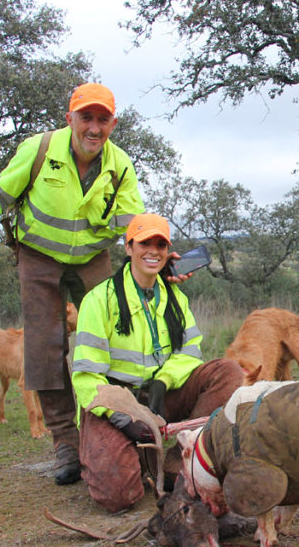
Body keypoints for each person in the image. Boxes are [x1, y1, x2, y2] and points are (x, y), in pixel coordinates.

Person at [0, 83, 144, 485]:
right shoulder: (39, 150)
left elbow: (133, 224)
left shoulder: (120, 164)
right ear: (69, 118)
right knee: (44, 346)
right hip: (38, 257)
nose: (93, 128)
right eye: (85, 117)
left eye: (102, 119)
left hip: (92, 257)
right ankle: (66, 445)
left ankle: (110, 428)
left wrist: (156, 252)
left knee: (113, 337)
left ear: (113, 123)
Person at [71, 213, 244, 512]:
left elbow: (190, 352)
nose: (153, 251)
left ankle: (180, 465)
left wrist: (163, 383)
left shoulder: (175, 298)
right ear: (128, 248)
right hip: (115, 403)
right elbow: (87, 378)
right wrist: (124, 418)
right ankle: (110, 453)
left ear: (168, 251)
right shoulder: (99, 300)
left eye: (160, 244)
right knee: (118, 498)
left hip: (160, 397)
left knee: (228, 372)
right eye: (144, 243)